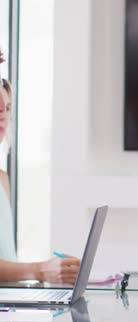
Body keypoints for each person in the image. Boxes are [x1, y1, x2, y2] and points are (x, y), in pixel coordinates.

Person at [0, 50, 80, 283]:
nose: (3, 115)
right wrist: (40, 270)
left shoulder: (2, 179)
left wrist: (53, 270)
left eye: (6, 108)